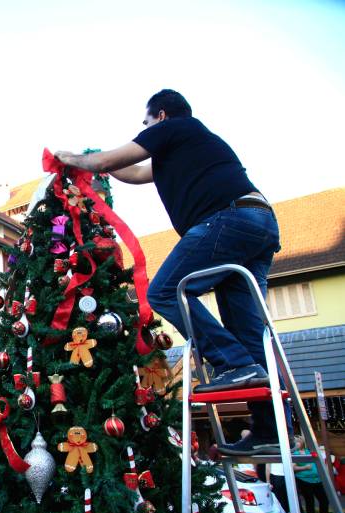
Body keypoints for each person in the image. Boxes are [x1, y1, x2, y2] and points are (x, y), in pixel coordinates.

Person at [54, 89, 288, 456]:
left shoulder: (177, 126)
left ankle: (233, 363)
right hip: (256, 225)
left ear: (160, 116)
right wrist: (93, 162)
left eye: (145, 123)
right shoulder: (183, 148)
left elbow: (115, 157)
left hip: (228, 220)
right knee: (247, 330)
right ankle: (270, 428)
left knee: (165, 290)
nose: (144, 129)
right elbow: (131, 170)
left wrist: (68, 158)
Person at [292, 436, 329, 513]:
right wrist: (304, 468)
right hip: (304, 480)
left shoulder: (309, 452)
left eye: (298, 442)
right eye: (295, 442)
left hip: (317, 480)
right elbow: (292, 468)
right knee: (310, 501)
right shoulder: (294, 454)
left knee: (324, 500)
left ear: (303, 443)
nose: (297, 444)